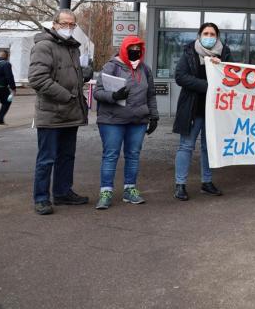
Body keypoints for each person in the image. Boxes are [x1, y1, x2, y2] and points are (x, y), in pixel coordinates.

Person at [28, 9, 93, 216]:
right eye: (64, 23)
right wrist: (66, 96)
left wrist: (83, 74)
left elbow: (68, 75)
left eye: (71, 24)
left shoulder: (72, 47)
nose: (68, 27)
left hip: (71, 112)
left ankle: (63, 192)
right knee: (47, 158)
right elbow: (38, 79)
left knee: (67, 156)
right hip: (51, 113)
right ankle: (41, 198)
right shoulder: (44, 46)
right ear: (54, 24)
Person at [92, 35, 159, 210]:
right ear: (124, 48)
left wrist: (154, 116)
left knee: (133, 155)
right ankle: (106, 191)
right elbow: (97, 92)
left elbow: (150, 94)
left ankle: (130, 189)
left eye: (138, 48)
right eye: (132, 48)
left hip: (138, 120)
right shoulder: (111, 66)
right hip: (112, 120)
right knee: (111, 155)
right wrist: (113, 96)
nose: (135, 51)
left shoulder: (145, 69)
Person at [173, 22, 232, 201]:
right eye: (205, 33)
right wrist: (208, 86)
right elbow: (180, 76)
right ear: (199, 36)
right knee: (186, 146)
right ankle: (180, 185)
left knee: (209, 148)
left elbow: (232, 76)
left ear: (217, 37)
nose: (209, 37)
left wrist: (221, 66)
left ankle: (207, 182)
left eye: (212, 34)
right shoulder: (189, 51)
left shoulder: (225, 53)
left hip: (214, 110)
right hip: (192, 109)